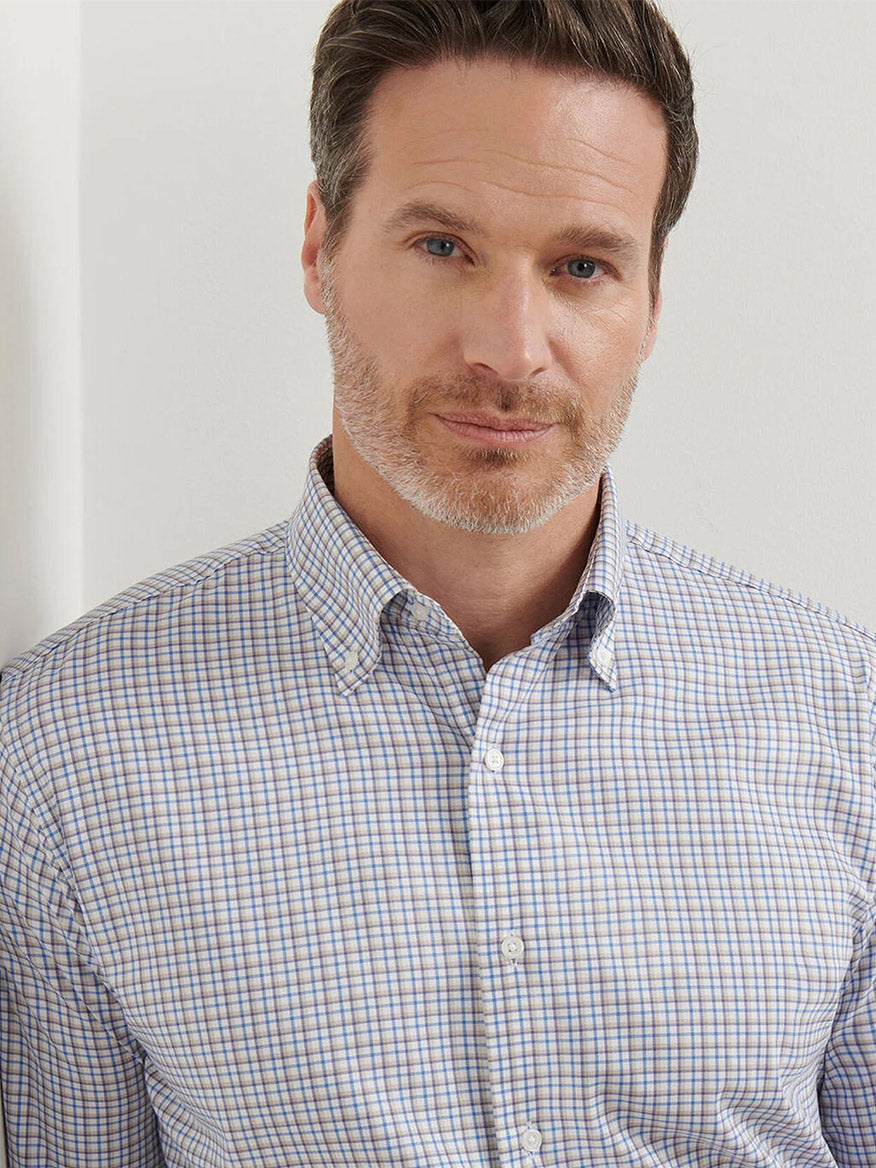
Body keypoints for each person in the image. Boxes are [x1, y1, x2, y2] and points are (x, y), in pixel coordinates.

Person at [1, 0, 874, 1164]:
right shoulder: (65, 752)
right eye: (443, 246)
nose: (511, 349)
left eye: (581, 265)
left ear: (651, 302)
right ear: (320, 246)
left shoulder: (847, 718)